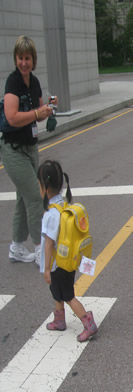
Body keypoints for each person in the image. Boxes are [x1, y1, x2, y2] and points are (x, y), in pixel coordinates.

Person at [1, 35, 56, 265]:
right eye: (20, 58)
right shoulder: (12, 82)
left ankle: (16, 247)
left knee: (24, 199)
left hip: (31, 148)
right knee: (35, 197)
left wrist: (48, 110)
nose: (24, 62)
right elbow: (12, 118)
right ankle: (40, 250)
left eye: (28, 58)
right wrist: (36, 113)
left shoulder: (33, 82)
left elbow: (38, 111)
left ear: (33, 60)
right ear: (15, 59)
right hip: (13, 150)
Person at [37, 160, 98, 343]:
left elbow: (49, 244)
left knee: (68, 295)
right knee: (58, 291)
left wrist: (47, 268)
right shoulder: (64, 205)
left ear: (46, 188)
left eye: (39, 185)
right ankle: (59, 319)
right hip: (70, 260)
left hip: (57, 265)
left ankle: (88, 323)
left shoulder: (50, 215)